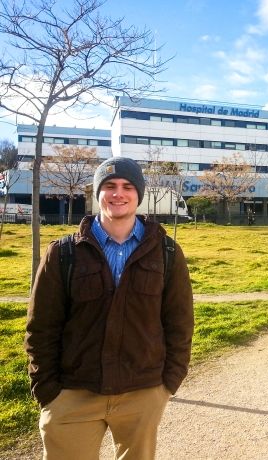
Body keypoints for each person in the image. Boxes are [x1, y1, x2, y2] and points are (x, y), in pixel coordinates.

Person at [25, 157, 194, 460]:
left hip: (142, 392)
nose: (118, 193)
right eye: (109, 186)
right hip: (73, 392)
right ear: (97, 193)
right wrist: (46, 389)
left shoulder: (167, 252)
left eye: (128, 186)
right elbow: (41, 326)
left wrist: (168, 383)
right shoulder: (63, 253)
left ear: (138, 194)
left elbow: (180, 322)